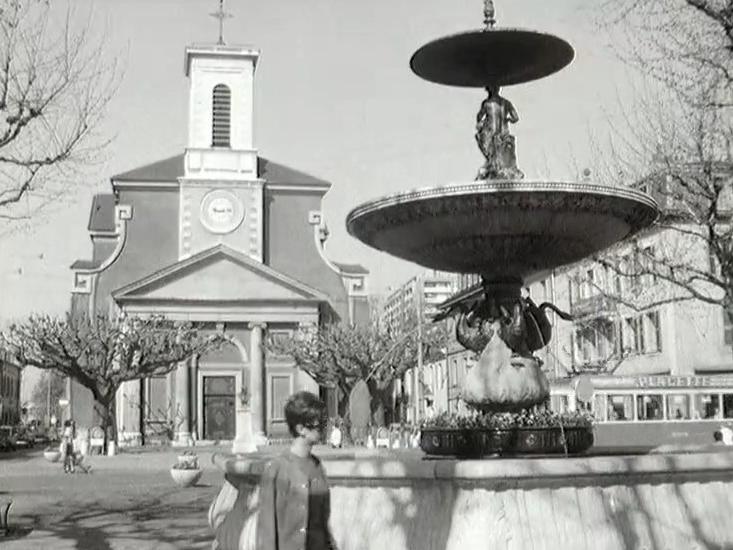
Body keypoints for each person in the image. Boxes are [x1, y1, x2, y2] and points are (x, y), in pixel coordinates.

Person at [257, 391, 338, 550]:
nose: (323, 427)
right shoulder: (277, 469)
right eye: (318, 424)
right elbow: (267, 530)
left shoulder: (317, 466)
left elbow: (322, 523)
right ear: (301, 428)